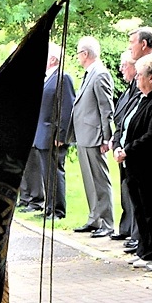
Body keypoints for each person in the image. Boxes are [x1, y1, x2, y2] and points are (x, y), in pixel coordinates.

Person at [114, 54, 152, 270]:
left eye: (140, 74)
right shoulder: (139, 97)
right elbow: (123, 124)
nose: (136, 78)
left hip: (149, 165)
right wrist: (117, 146)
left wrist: (127, 151)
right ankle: (144, 250)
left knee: (151, 210)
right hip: (132, 164)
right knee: (139, 209)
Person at [18, 43, 75, 218]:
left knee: (54, 173)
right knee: (47, 174)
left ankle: (57, 210)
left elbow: (66, 108)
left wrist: (62, 134)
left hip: (53, 135)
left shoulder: (62, 77)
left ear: (52, 59)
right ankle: (49, 208)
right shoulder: (47, 78)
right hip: (42, 135)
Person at [69, 36, 115, 238]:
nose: (78, 57)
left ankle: (106, 221)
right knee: (90, 180)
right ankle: (94, 218)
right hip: (85, 135)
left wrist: (107, 138)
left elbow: (106, 109)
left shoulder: (100, 74)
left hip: (95, 136)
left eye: (79, 53)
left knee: (100, 180)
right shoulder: (90, 74)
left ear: (85, 54)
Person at [110, 50, 140, 250]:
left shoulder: (139, 91)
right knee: (125, 189)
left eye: (124, 65)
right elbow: (120, 119)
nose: (121, 69)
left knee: (134, 192)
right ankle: (127, 228)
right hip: (122, 146)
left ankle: (135, 234)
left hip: (133, 149)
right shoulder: (128, 90)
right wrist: (115, 143)